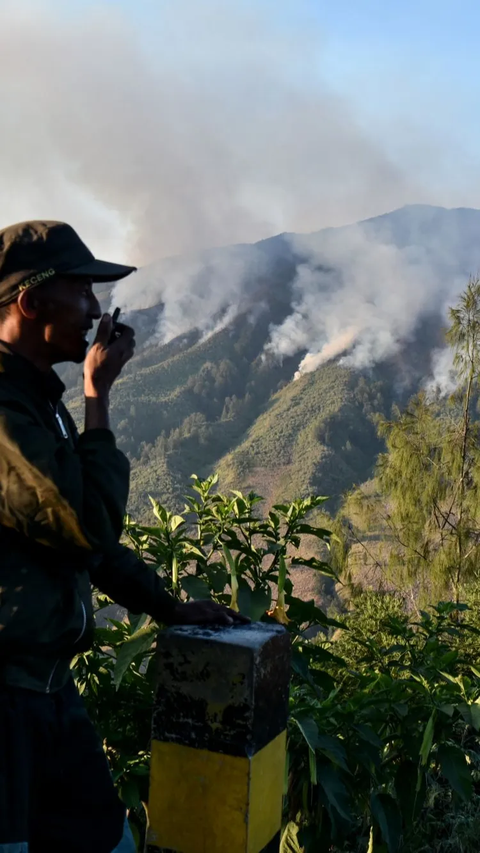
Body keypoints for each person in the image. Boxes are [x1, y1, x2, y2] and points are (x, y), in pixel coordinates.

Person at [0, 220, 247, 853]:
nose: (94, 309)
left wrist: (167, 608)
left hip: (49, 691)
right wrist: (97, 397)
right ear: (31, 301)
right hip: (8, 703)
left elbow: (85, 544)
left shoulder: (35, 400)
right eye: (83, 290)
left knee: (108, 841)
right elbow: (82, 529)